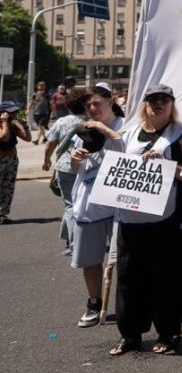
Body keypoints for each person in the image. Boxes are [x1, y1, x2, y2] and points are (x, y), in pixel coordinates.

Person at [109, 84, 182, 356]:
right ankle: (130, 334)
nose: (158, 104)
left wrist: (166, 165)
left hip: (168, 220)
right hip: (132, 218)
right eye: (153, 100)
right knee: (129, 277)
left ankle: (168, 333)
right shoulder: (131, 133)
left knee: (167, 278)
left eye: (164, 100)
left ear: (172, 104)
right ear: (145, 104)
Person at [68, 86, 125, 325]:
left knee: (126, 259)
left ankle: (130, 303)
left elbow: (128, 153)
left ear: (110, 102)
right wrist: (74, 160)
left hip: (119, 206)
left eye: (97, 103)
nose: (92, 109)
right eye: (88, 105)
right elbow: (75, 170)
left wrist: (105, 131)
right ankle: (94, 302)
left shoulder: (125, 125)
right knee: (91, 259)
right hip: (89, 203)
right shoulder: (81, 131)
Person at [41, 90, 88, 254]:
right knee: (82, 204)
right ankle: (73, 239)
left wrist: (46, 159)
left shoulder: (62, 121)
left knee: (70, 205)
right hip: (86, 166)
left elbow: (50, 144)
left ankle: (74, 244)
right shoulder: (91, 121)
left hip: (65, 166)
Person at [0, 101, 32, 223]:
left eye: (14, 112)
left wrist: (24, 126)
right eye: (10, 112)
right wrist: (3, 122)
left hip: (11, 159)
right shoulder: (4, 123)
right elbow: (4, 137)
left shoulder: (12, 124)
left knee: (7, 188)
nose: (13, 114)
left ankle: (2, 214)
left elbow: (28, 138)